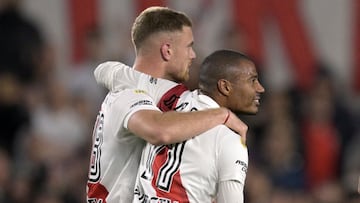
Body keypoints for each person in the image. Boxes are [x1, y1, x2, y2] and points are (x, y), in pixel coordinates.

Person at [86, 7, 248, 203]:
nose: (193, 55)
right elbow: (159, 131)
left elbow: (104, 70)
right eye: (188, 46)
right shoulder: (127, 96)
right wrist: (221, 115)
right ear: (167, 50)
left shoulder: (137, 90)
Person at [94, 49, 265, 202]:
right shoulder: (230, 140)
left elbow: (104, 70)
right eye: (253, 80)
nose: (261, 88)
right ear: (225, 87)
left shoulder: (168, 97)